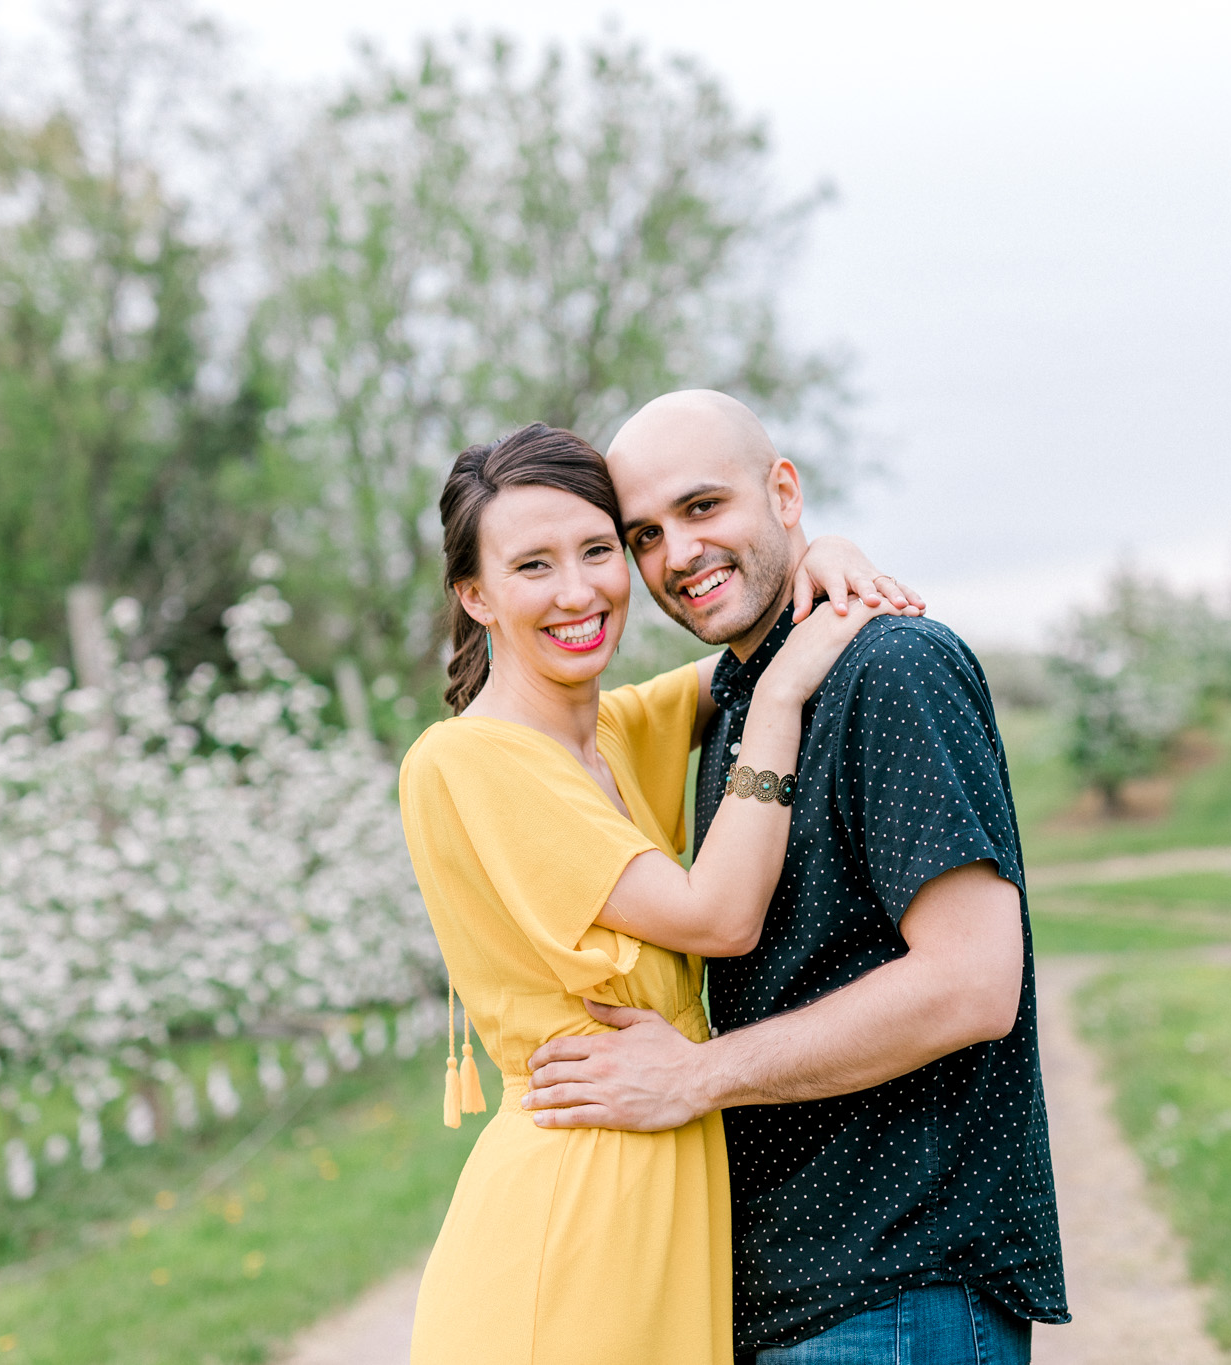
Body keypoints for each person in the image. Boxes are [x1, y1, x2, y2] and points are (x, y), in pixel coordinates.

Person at [521, 391, 1069, 1364]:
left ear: (782, 490)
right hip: (785, 1290)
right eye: (644, 535)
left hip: (899, 1283)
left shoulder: (890, 667)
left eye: (702, 509)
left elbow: (970, 983)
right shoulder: (739, 699)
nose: (677, 556)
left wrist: (694, 1077)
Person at [399, 421, 920, 1364]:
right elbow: (718, 917)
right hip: (573, 1217)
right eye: (532, 566)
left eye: (599, 549)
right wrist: (776, 707)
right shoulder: (472, 759)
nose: (578, 590)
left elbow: (767, 630)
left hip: (667, 1202)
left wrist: (826, 551)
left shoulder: (613, 732)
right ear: (475, 594)